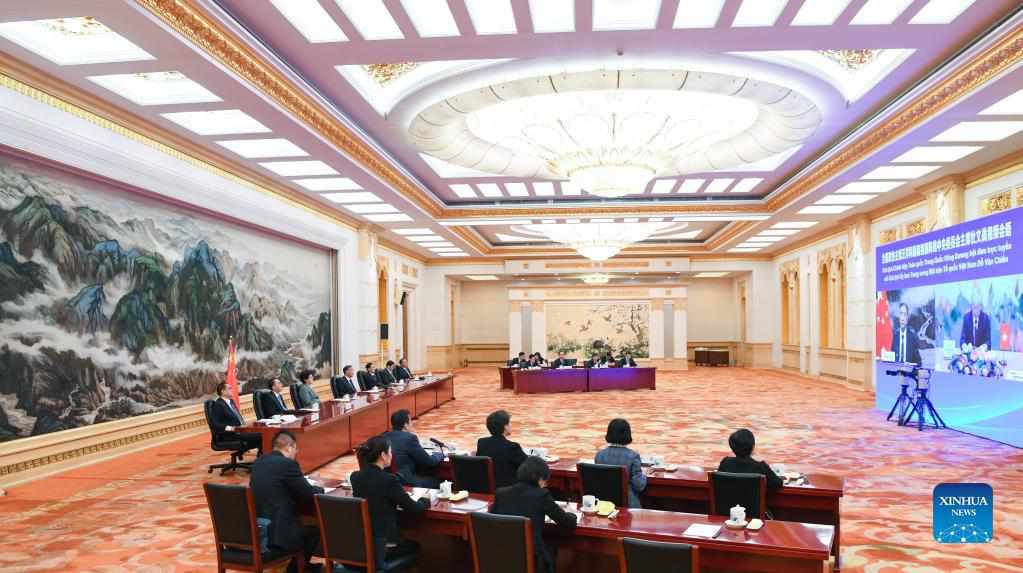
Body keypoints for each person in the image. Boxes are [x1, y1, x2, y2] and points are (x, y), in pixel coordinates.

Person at [250, 430, 323, 573]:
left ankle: (303, 566)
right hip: (277, 533)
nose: (296, 452)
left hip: (258, 528)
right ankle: (295, 569)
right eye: (296, 448)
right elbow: (308, 494)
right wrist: (320, 488)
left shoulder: (259, 462)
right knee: (313, 531)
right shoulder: (288, 464)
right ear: (289, 447)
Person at [351, 435, 428, 569]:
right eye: (390, 452)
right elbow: (415, 508)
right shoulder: (388, 480)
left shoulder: (355, 477)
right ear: (383, 455)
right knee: (415, 546)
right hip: (382, 548)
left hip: (360, 548)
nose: (392, 455)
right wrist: (424, 500)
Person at [491, 456, 577, 573]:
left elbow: (492, 521)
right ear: (540, 478)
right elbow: (567, 523)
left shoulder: (501, 493)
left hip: (500, 556)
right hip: (531, 560)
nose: (545, 484)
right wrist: (573, 514)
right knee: (554, 548)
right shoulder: (541, 495)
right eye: (546, 481)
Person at [384, 409, 443, 487]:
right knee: (441, 482)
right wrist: (439, 454)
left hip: (389, 480)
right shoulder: (409, 438)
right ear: (405, 425)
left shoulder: (384, 436)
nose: (412, 424)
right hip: (406, 480)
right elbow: (430, 461)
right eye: (411, 421)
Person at [594, 418, 646, 508]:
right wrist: (644, 474)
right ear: (627, 435)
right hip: (629, 507)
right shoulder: (633, 456)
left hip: (604, 506)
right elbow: (639, 486)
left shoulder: (599, 455)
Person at [717, 428, 783, 494]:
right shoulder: (761, 467)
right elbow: (777, 483)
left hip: (728, 501)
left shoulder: (725, 463)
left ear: (732, 447)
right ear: (753, 447)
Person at [476, 410, 528, 488]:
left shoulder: (481, 443)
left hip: (485, 488)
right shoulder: (512, 447)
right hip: (508, 490)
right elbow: (528, 465)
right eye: (510, 423)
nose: (511, 425)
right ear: (505, 427)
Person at [209, 381, 262, 453]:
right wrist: (231, 428)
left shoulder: (231, 401)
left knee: (262, 432)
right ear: (223, 391)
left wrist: (244, 425)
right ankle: (262, 455)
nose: (232, 390)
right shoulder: (218, 404)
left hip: (239, 430)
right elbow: (215, 423)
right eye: (230, 388)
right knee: (259, 436)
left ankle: (262, 454)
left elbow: (235, 418)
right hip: (229, 434)